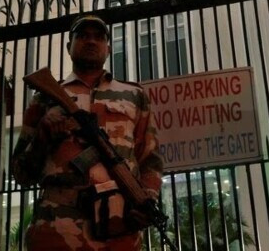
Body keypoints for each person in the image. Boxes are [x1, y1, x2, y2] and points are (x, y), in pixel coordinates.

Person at [11, 15, 163, 251]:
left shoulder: (134, 95)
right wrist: (42, 135)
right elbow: (21, 175)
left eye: (99, 37)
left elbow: (150, 160)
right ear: (68, 47)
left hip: (118, 233)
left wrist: (146, 200)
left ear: (109, 48)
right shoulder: (45, 97)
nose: (91, 41)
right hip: (56, 232)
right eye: (82, 36)